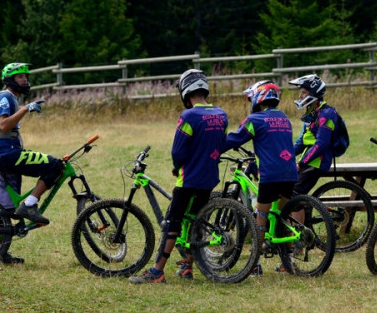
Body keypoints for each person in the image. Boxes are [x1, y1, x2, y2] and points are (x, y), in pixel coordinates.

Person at [129, 69, 228, 284]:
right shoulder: (221, 115)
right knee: (196, 220)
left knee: (172, 223)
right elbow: (221, 144)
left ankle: (157, 272)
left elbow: (178, 152)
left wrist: (177, 167)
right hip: (209, 178)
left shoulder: (188, 116)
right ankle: (187, 266)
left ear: (185, 91)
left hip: (189, 178)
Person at [0, 62, 62, 264]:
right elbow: (4, 125)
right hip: (7, 155)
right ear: (10, 79)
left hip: (1, 156)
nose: (25, 80)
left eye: (26, 76)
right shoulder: (4, 97)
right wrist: (25, 109)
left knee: (5, 208)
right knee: (56, 165)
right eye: (20, 76)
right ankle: (30, 205)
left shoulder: (10, 97)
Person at [223, 80, 298, 275]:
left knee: (260, 217)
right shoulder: (284, 118)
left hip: (270, 174)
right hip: (290, 172)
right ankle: (288, 262)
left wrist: (213, 146)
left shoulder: (255, 119)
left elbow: (236, 139)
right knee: (283, 216)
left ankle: (255, 263)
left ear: (259, 98)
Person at [288, 75, 350, 196]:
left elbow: (322, 144)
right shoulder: (312, 113)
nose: (300, 96)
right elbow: (302, 142)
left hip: (318, 161)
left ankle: (305, 207)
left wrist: (301, 164)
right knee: (286, 190)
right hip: (309, 159)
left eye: (303, 93)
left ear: (313, 93)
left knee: (293, 195)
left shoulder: (326, 114)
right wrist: (284, 156)